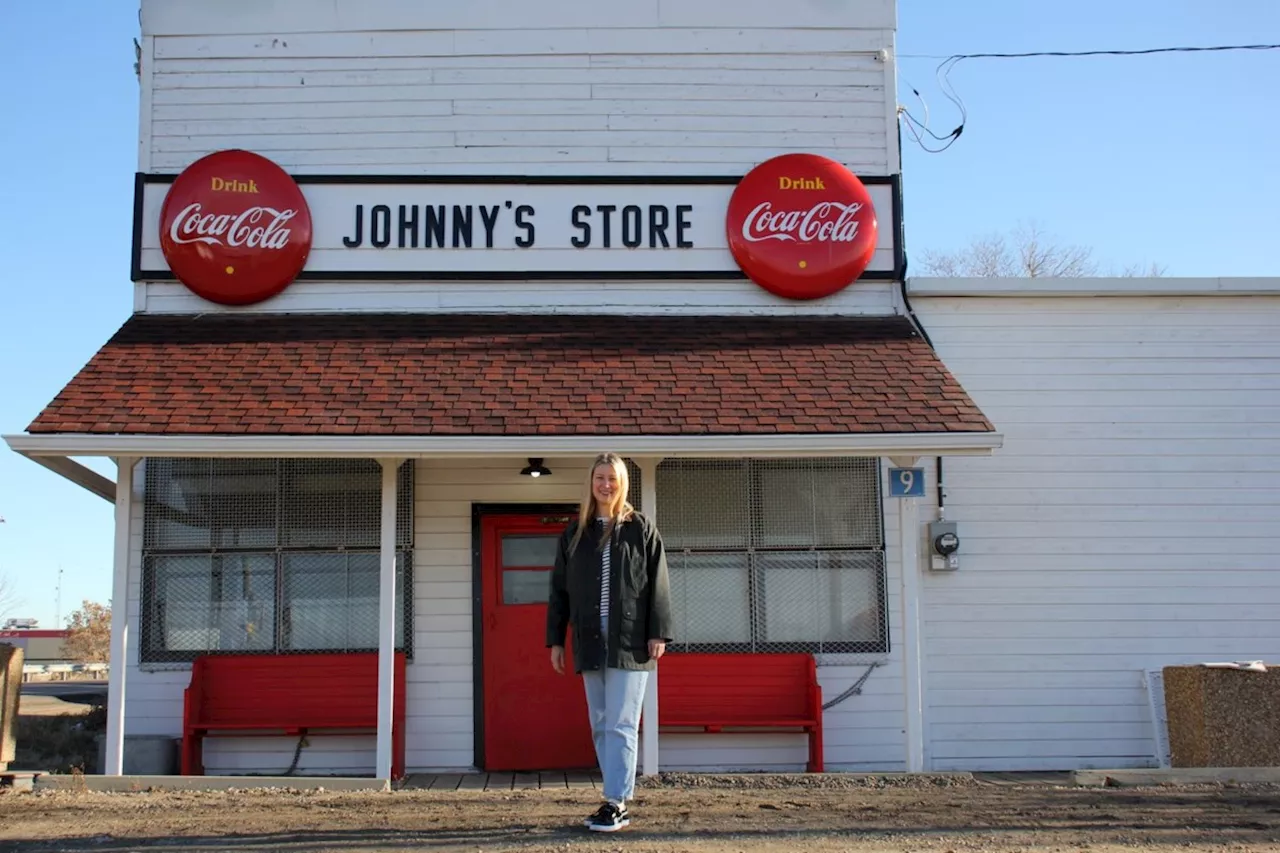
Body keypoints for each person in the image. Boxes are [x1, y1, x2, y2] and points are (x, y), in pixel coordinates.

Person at [546, 452, 673, 832]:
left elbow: (659, 584)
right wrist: (555, 640)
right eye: (600, 477)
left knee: (621, 722)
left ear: (622, 484)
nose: (605, 485)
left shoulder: (641, 530)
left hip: (630, 642)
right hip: (589, 640)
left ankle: (616, 802)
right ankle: (613, 795)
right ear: (591, 482)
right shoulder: (575, 533)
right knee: (601, 723)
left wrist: (658, 632)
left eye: (612, 478)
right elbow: (559, 591)